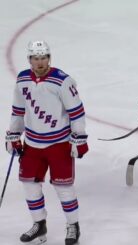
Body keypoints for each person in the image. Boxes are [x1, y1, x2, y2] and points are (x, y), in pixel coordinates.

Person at [5, 41, 88, 245]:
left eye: (43, 58)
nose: (40, 62)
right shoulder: (22, 79)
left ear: (49, 58)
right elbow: (18, 109)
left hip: (59, 144)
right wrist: (14, 134)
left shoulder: (62, 81)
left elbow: (76, 112)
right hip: (32, 144)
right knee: (29, 185)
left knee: (63, 187)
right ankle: (39, 224)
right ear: (29, 60)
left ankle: (72, 226)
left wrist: (79, 138)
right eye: (36, 58)